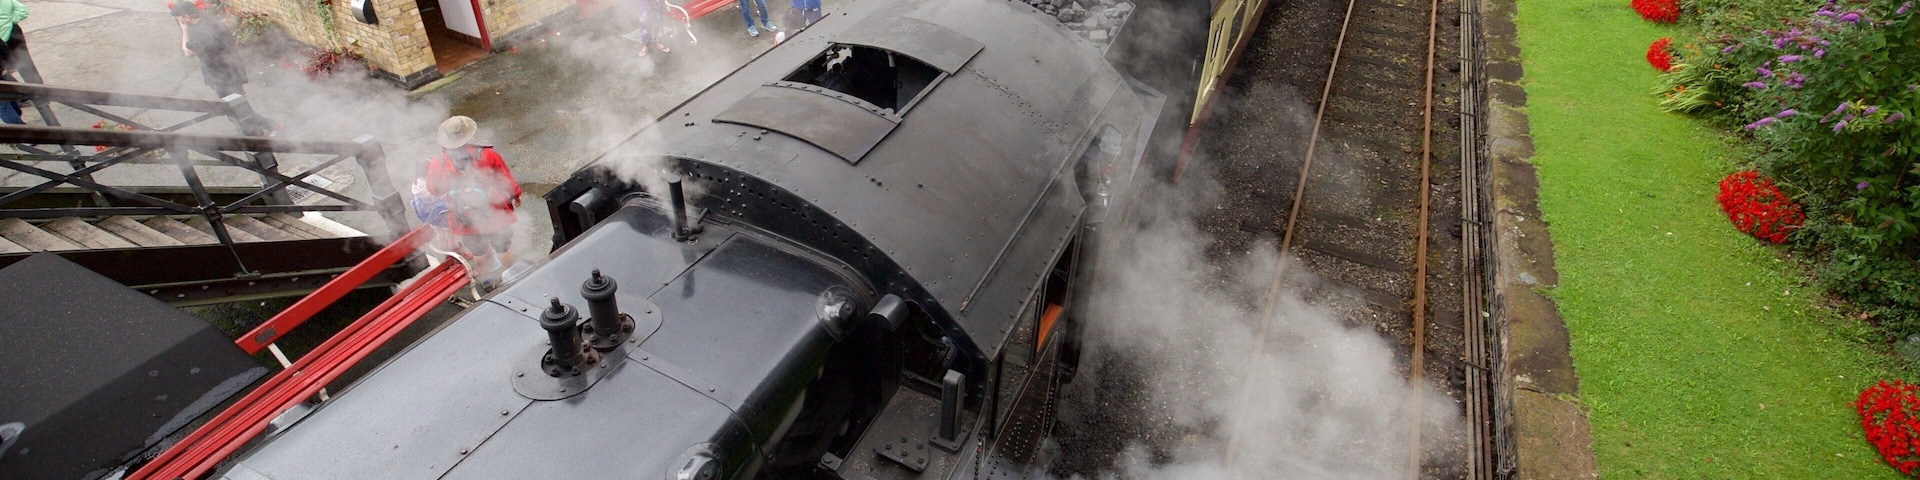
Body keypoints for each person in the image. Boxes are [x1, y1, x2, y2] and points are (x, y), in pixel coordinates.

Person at [424, 115, 522, 287]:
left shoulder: (437, 163)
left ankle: (486, 279)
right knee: (503, 246)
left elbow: (434, 189)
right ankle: (510, 276)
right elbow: (505, 179)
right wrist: (515, 195)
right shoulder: (487, 154)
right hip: (494, 211)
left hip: (464, 215)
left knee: (478, 249)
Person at [174, 2, 248, 99]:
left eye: (179, 18)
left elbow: (188, 52)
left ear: (187, 17)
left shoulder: (201, 33)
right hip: (232, 70)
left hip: (222, 76)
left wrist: (185, 31)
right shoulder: (209, 20)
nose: (178, 20)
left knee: (236, 108)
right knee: (238, 104)